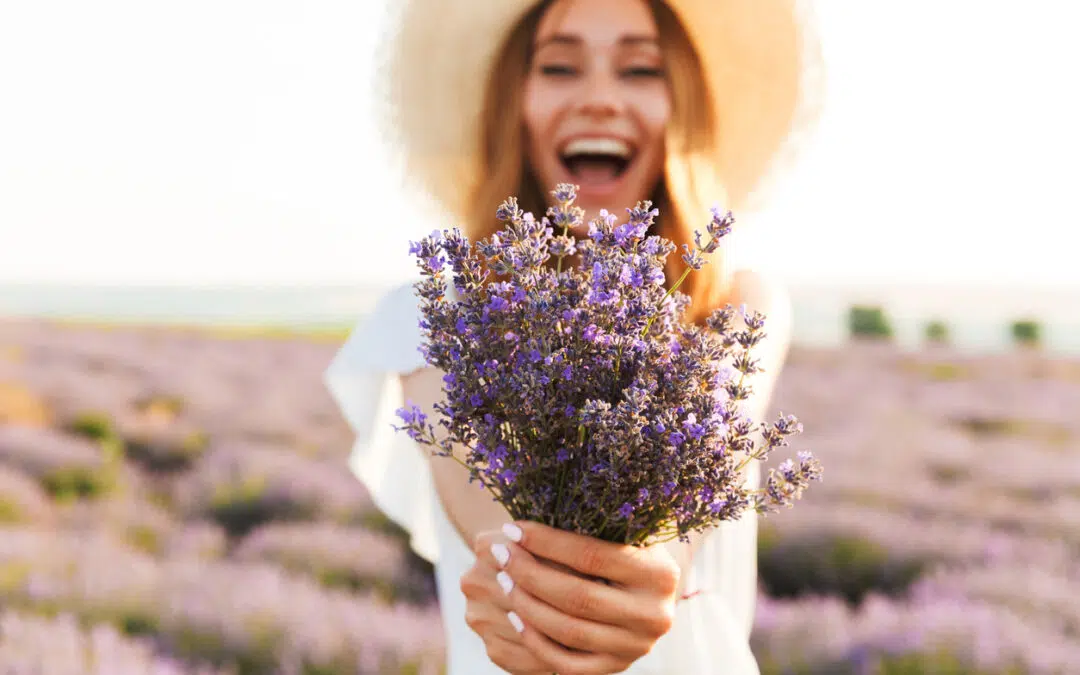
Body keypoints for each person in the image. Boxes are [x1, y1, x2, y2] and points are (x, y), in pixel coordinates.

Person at [324, 0, 823, 672]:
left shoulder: (737, 308)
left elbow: (695, 483)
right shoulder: (439, 313)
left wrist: (652, 564)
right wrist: (527, 581)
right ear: (515, 104)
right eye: (559, 66)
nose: (598, 100)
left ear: (682, 103)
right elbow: (484, 501)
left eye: (640, 69)